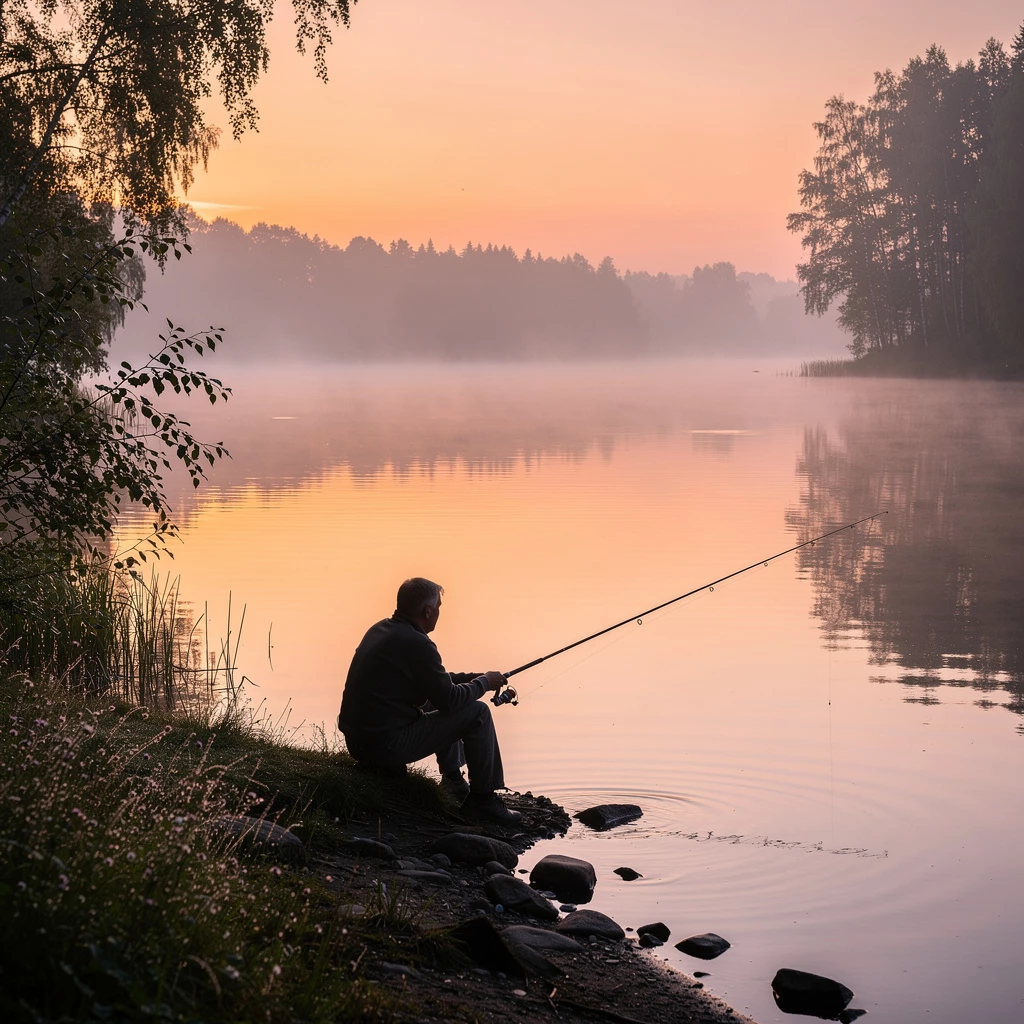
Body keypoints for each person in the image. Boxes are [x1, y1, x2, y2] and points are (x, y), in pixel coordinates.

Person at [338, 577, 522, 824]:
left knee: (439, 700)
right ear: (428, 611)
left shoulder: (382, 629)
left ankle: (453, 781)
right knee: (477, 712)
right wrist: (483, 684)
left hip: (359, 742)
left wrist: (476, 678)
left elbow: (436, 683)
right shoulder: (418, 643)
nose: (439, 612)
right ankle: (483, 800)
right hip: (384, 747)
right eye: (438, 607)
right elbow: (450, 700)